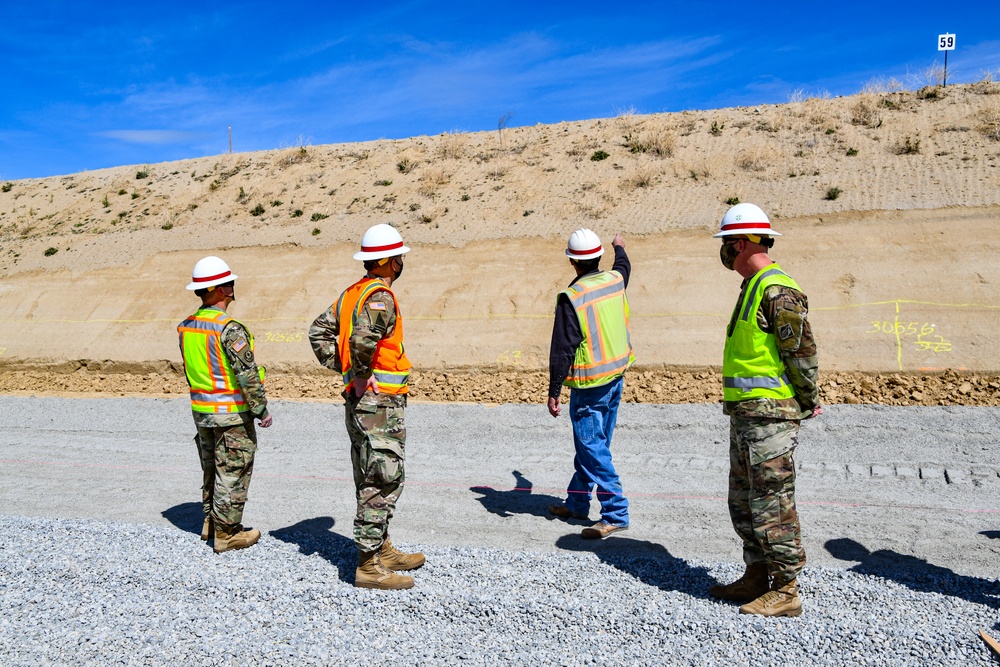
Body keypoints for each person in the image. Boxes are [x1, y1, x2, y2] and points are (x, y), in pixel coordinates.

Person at [708, 203, 822, 617]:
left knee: (772, 502)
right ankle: (757, 575)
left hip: (771, 416)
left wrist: (808, 398)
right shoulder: (752, 287)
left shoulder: (778, 290)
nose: (724, 253)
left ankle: (786, 588)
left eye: (726, 245)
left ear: (739, 243)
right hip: (747, 415)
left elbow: (801, 352)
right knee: (743, 500)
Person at [308, 223, 424, 590]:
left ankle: (381, 548)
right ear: (389, 261)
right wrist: (358, 373)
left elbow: (318, 332)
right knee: (383, 476)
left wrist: (344, 369)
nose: (402, 262)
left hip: (363, 402)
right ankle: (368, 566)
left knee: (369, 472)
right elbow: (363, 339)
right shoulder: (380, 297)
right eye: (400, 257)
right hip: (378, 403)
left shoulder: (351, 294)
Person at [177, 256, 272, 554]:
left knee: (210, 468)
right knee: (233, 470)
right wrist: (261, 410)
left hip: (202, 412)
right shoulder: (229, 329)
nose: (233, 287)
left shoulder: (187, 327)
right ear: (221, 289)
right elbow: (246, 375)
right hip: (231, 413)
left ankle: (211, 522)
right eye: (230, 283)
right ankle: (227, 533)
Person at [546, 228, 635, 539]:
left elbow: (562, 349)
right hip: (616, 377)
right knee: (595, 446)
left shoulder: (572, 297)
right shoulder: (615, 279)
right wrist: (619, 246)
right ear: (599, 257)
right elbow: (624, 264)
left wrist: (554, 391)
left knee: (592, 447)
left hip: (589, 385)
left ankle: (615, 512)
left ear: (572, 262)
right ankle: (577, 501)